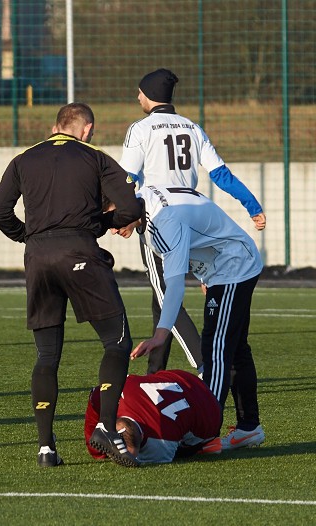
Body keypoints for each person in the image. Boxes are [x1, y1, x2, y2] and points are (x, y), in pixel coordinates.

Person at [0, 102, 144, 468]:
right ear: (86, 128)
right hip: (79, 251)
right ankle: (106, 425)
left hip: (37, 257)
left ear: (56, 125)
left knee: (46, 355)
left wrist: (27, 236)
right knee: (117, 341)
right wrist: (102, 225)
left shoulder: (24, 158)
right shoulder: (94, 157)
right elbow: (130, 207)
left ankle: (46, 448)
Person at [118, 68, 266, 376]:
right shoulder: (192, 127)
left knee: (165, 291)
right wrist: (252, 205)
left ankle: (203, 365)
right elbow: (221, 175)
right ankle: (155, 374)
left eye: (140, 92)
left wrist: (125, 216)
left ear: (148, 95)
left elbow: (126, 180)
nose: (137, 97)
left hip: (159, 217)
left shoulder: (141, 129)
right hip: (193, 218)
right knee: (161, 299)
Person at [128, 184, 265, 451]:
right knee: (235, 349)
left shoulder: (163, 221)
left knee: (215, 349)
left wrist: (161, 333)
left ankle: (206, 432)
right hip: (226, 263)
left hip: (233, 265)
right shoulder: (145, 203)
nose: (111, 228)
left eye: (111, 216)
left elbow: (175, 284)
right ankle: (249, 427)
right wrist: (206, 275)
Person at [84, 369, 223, 463]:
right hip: (183, 377)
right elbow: (95, 399)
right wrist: (98, 448)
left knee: (182, 452)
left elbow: (136, 457)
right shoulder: (108, 393)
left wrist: (98, 453)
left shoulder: (159, 441)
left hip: (211, 414)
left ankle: (206, 444)